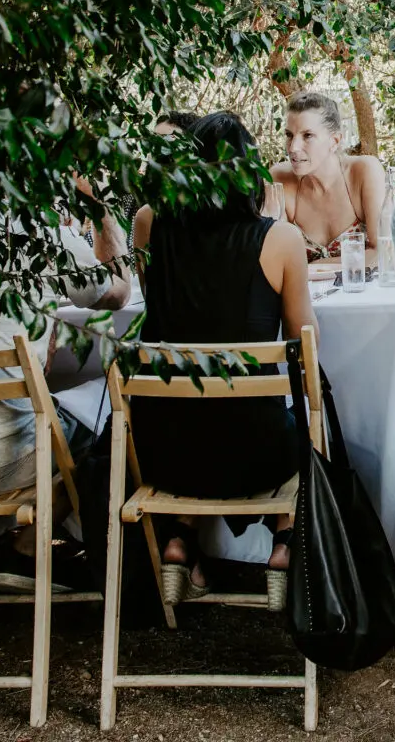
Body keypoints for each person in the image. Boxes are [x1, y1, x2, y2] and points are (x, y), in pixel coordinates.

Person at [130, 112, 316, 606]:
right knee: (303, 423)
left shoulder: (147, 224)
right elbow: (302, 345)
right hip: (252, 456)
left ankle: (180, 541)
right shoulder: (279, 239)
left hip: (164, 454)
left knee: (200, 417)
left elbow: (163, 310)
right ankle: (283, 541)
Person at [0, 193, 132, 596]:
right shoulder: (35, 230)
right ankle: (29, 549)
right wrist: (98, 207)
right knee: (109, 416)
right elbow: (117, 293)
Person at [264, 90, 391, 264]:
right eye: (289, 135)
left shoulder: (363, 171)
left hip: (363, 290)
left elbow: (383, 252)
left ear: (335, 141)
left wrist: (312, 268)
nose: (293, 147)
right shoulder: (279, 178)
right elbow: (274, 259)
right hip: (302, 292)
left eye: (307, 135)